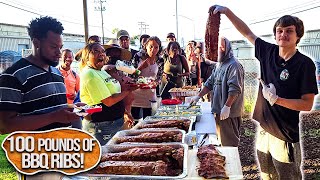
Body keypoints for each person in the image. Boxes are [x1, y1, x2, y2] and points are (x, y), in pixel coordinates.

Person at [211, 5, 318, 179]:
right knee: (266, 175)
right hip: (263, 130)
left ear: (298, 35)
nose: (283, 34)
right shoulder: (268, 52)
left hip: (284, 135)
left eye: (289, 31)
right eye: (279, 30)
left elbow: (307, 103)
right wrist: (227, 12)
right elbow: (247, 33)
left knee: (287, 176)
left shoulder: (304, 64)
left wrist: (277, 99)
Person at [0, 16, 81, 134]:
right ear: (36, 43)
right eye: (53, 47)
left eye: (60, 47)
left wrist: (70, 108)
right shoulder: (13, 76)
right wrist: (53, 117)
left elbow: (53, 109)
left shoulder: (56, 73)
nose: (59, 53)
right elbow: (4, 125)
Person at [79, 42, 137, 145]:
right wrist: (128, 90)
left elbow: (114, 94)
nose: (101, 54)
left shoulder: (101, 71)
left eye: (102, 51)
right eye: (96, 51)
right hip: (101, 126)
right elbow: (109, 101)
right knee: (105, 157)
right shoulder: (90, 73)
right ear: (87, 56)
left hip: (114, 122)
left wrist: (124, 112)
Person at [190, 36, 244, 147]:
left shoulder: (234, 65)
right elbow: (210, 82)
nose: (218, 50)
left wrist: (227, 106)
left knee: (229, 144)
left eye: (221, 47)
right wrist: (198, 96)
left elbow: (235, 89)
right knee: (221, 141)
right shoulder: (220, 65)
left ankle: (232, 162)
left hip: (229, 113)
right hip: (219, 110)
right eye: (217, 47)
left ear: (227, 48)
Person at [131, 36, 163, 120]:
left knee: (149, 120)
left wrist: (156, 82)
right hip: (136, 93)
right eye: (151, 47)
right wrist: (141, 68)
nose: (153, 50)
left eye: (156, 47)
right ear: (146, 46)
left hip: (150, 93)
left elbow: (159, 77)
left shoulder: (160, 60)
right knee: (135, 120)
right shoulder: (138, 56)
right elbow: (131, 75)